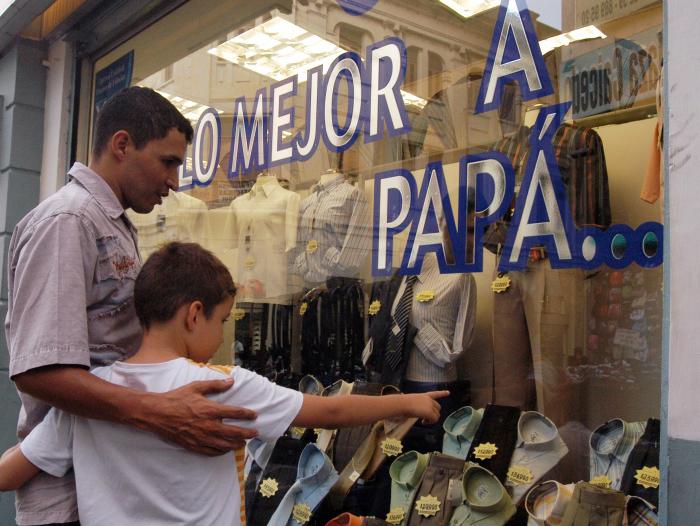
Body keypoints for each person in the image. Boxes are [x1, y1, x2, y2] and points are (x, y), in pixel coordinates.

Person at [0, 242, 447, 526]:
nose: (222, 334)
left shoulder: (93, 397)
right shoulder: (219, 385)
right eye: (223, 320)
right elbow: (327, 411)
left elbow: (10, 474)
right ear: (194, 315)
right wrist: (408, 403)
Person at [5, 87, 257, 526]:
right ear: (122, 145)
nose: (175, 182)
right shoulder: (69, 222)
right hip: (71, 497)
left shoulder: (112, 225)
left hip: (108, 486)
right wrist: (163, 412)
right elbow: (39, 370)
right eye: (168, 162)